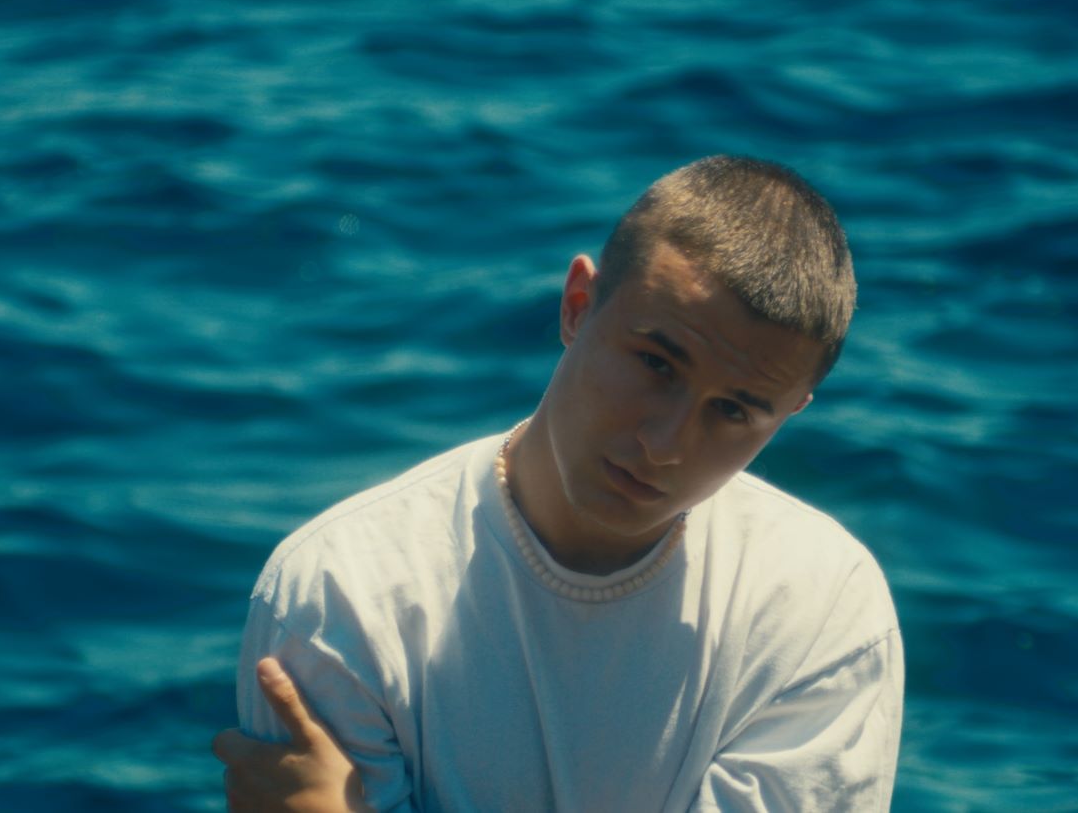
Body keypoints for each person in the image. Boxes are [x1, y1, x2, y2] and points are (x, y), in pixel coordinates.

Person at [212, 156, 904, 812]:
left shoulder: (820, 610)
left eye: (732, 411)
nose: (664, 445)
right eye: (656, 364)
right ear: (577, 305)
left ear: (789, 414)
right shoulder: (339, 592)